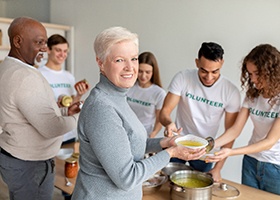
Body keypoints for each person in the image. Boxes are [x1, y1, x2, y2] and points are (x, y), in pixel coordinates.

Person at [71, 26, 206, 200]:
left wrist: (165, 142)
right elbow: (127, 178)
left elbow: (128, 143)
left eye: (133, 59)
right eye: (119, 60)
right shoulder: (101, 108)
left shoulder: (117, 97)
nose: (130, 68)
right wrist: (172, 153)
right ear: (100, 62)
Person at [0, 17, 80, 200]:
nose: (44, 48)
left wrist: (66, 112)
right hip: (29, 165)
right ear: (17, 41)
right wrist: (81, 117)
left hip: (16, 158)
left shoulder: (8, 67)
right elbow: (52, 127)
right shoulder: (25, 76)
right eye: (39, 42)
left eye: (45, 42)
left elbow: (29, 115)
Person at [159, 42, 241, 182]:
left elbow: (231, 133)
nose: (209, 77)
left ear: (222, 63)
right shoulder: (183, 78)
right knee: (168, 183)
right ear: (197, 63)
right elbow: (164, 112)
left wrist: (218, 169)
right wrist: (168, 123)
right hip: (177, 143)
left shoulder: (230, 91)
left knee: (196, 186)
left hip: (204, 150)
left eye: (214, 71)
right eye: (204, 71)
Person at [206, 44, 280, 195]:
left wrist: (230, 152)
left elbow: (269, 141)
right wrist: (210, 144)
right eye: (250, 73)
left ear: (271, 72)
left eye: (257, 73)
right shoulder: (252, 95)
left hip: (275, 167)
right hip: (251, 163)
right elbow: (235, 130)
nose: (252, 79)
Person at [38, 34, 89, 144]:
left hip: (69, 133)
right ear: (48, 50)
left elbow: (71, 105)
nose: (63, 54)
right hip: (50, 135)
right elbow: (36, 107)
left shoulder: (69, 76)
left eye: (65, 51)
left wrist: (79, 95)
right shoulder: (39, 74)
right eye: (58, 50)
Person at [127, 52, 166, 138]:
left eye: (147, 72)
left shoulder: (159, 93)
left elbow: (159, 120)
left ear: (153, 72)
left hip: (145, 134)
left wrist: (153, 134)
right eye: (140, 71)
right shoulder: (128, 86)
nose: (143, 76)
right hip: (125, 131)